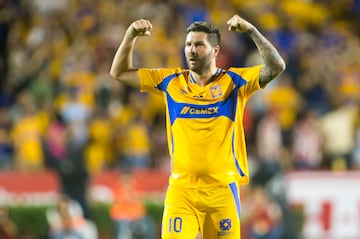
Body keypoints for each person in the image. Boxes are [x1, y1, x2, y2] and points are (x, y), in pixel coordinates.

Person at [109, 14, 285, 239]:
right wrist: (130, 36)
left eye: (199, 44)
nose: (192, 50)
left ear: (215, 51)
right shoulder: (171, 81)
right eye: (188, 44)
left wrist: (251, 31)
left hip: (222, 192)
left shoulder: (234, 82)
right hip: (182, 191)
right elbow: (119, 72)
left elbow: (276, 66)